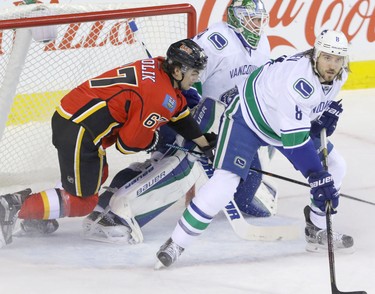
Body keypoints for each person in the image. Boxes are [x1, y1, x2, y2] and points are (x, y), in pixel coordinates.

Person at [79, 0, 278, 244]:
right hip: (196, 112)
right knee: (184, 163)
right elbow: (186, 74)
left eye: (260, 20)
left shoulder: (263, 44)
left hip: (230, 120)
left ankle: (109, 198)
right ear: (237, 17)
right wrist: (191, 108)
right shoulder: (218, 40)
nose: (257, 25)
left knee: (248, 191)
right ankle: (120, 214)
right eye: (253, 19)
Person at [155, 29, 354, 269]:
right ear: (315, 55)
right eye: (327, 57)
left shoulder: (339, 75)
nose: (332, 64)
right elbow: (296, 142)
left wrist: (320, 117)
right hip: (246, 118)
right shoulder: (299, 81)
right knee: (225, 182)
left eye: (337, 58)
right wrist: (317, 177)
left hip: (281, 122)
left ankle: (318, 229)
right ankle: (177, 242)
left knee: (337, 165)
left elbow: (305, 117)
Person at [0, 38, 215, 248]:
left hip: (77, 118)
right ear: (177, 71)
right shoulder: (159, 95)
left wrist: (203, 142)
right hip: (79, 129)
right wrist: (156, 139)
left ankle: (40, 213)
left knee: (97, 176)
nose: (195, 79)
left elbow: (177, 113)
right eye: (194, 73)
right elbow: (127, 144)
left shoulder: (159, 66)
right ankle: (15, 207)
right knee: (83, 202)